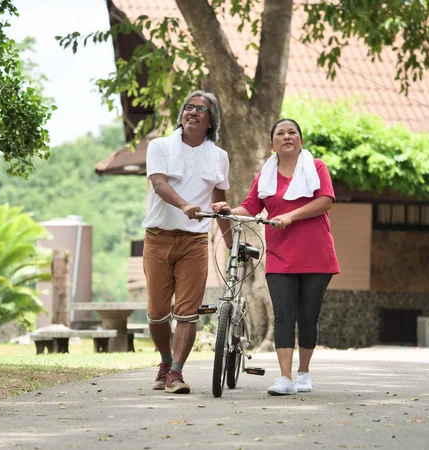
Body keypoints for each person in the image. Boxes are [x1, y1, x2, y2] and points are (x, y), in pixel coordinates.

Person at [212, 118, 340, 395]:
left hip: (317, 256)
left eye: (293, 132)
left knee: (307, 317)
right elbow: (250, 206)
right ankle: (285, 378)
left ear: (301, 141)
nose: (287, 136)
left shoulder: (316, 167)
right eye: (280, 133)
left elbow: (325, 200)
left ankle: (304, 373)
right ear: (272, 144)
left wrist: (290, 216)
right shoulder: (266, 174)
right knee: (283, 315)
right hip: (281, 256)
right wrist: (227, 209)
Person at [142, 90, 233, 394]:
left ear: (211, 121)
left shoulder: (219, 156)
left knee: (187, 311)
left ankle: (176, 374)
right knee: (156, 312)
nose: (193, 112)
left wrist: (230, 241)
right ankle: (165, 361)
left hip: (195, 243)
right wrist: (183, 205)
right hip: (158, 238)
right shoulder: (159, 146)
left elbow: (219, 202)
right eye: (189, 107)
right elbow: (158, 184)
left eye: (201, 109)